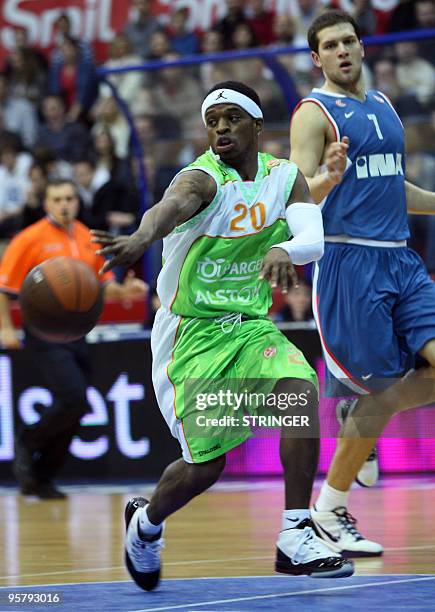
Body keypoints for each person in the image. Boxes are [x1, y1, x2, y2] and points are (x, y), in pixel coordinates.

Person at [92, 80, 354, 591]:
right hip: (192, 336)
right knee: (205, 468)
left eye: (232, 118)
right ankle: (146, 524)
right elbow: (168, 207)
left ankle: (296, 533)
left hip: (248, 326)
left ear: (257, 125)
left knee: (300, 391)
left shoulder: (285, 178)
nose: (220, 129)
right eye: (212, 121)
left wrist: (288, 251)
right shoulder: (203, 180)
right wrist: (142, 237)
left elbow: (313, 239)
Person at [289, 9, 435, 557]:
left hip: (401, 259)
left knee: (381, 401)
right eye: (331, 45)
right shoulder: (313, 113)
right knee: (375, 396)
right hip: (350, 265)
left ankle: (364, 419)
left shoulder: (382, 106)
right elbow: (293, 198)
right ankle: (328, 508)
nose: (343, 50)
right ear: (317, 57)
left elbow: (393, 187)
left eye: (350, 40)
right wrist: (325, 176)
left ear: (362, 48)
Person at [0, 179, 147, 499]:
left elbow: (102, 285)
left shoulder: (86, 236)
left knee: (78, 407)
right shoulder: (29, 239)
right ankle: (29, 439)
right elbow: (5, 287)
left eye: (69, 198)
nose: (64, 204)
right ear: (47, 203)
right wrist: (5, 327)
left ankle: (43, 477)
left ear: (77, 202)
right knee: (75, 396)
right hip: (43, 330)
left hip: (79, 331)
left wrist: (125, 290)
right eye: (57, 199)